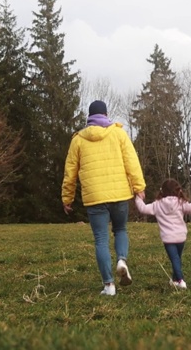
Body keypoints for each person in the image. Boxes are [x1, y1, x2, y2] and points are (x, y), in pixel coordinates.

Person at [61, 100, 146, 296]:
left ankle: (109, 286)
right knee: (121, 229)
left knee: (101, 239)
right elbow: (131, 161)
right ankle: (121, 260)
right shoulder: (118, 133)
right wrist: (139, 187)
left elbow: (70, 172)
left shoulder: (78, 140)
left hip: (95, 197)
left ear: (89, 117)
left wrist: (67, 197)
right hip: (119, 194)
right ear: (106, 114)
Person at [134, 178, 191, 289]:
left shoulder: (157, 205)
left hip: (168, 239)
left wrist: (138, 198)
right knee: (177, 258)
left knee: (174, 259)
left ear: (162, 191)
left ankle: (181, 280)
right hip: (181, 237)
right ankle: (174, 280)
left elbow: (143, 209)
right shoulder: (180, 202)